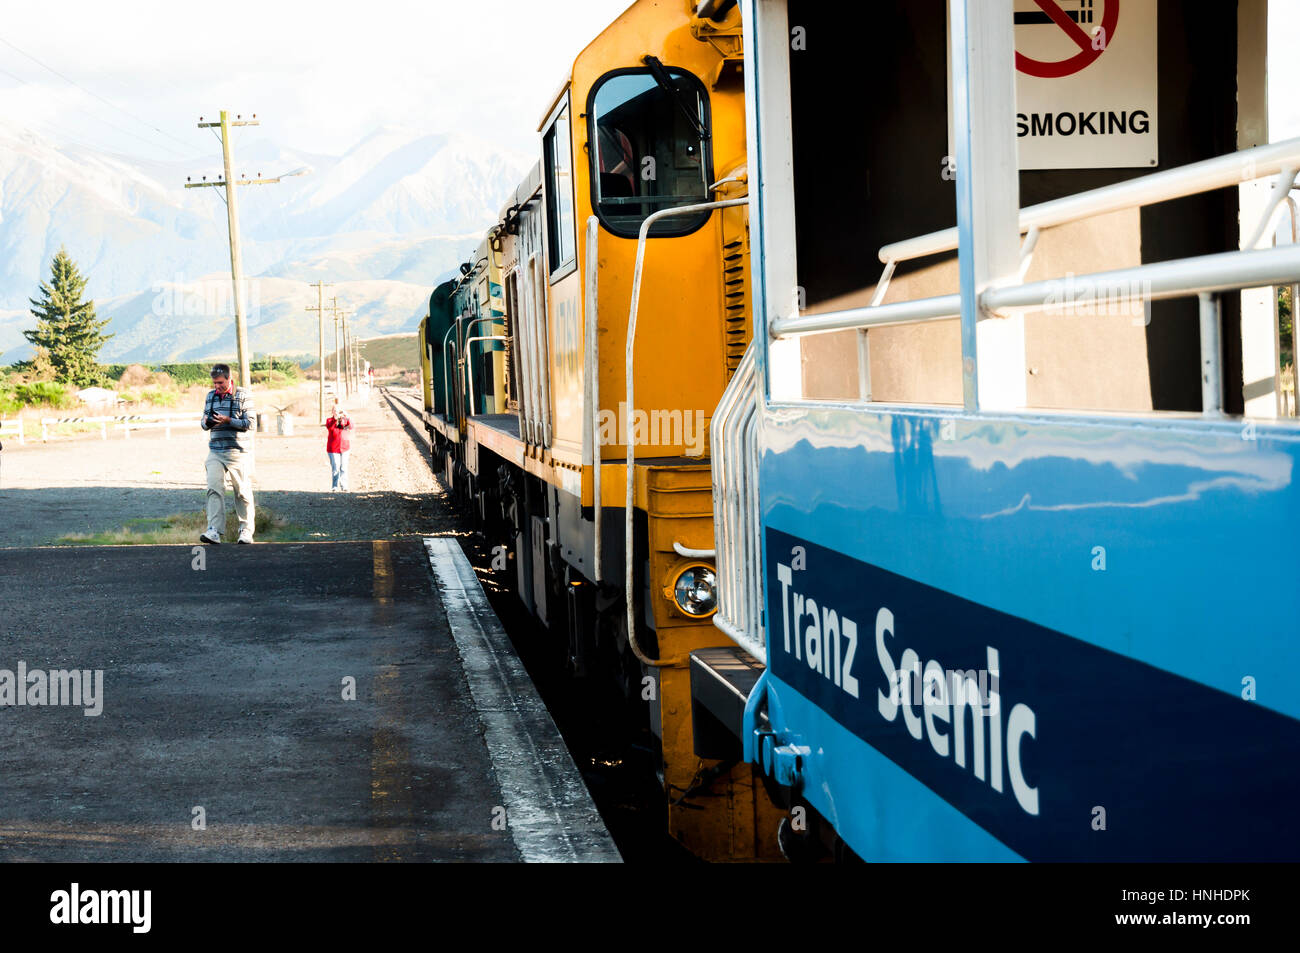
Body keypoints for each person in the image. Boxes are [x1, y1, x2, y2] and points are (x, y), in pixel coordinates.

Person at [199, 363, 255, 544]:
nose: (217, 387)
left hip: (238, 452)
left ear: (230, 379)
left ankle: (246, 530)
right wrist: (208, 422)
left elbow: (251, 424)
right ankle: (214, 530)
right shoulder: (210, 396)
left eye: (220, 383)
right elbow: (203, 422)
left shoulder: (243, 395)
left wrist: (229, 420)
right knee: (214, 489)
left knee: (242, 492)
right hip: (215, 450)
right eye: (214, 383)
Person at [324, 404, 352, 492]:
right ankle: (334, 486)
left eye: (338, 410)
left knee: (343, 467)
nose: (336, 412)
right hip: (333, 449)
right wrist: (336, 420)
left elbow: (351, 427)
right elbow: (331, 429)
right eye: (334, 410)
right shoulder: (329, 420)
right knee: (335, 467)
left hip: (344, 447)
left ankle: (344, 486)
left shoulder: (344, 420)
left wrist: (347, 417)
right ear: (332, 412)